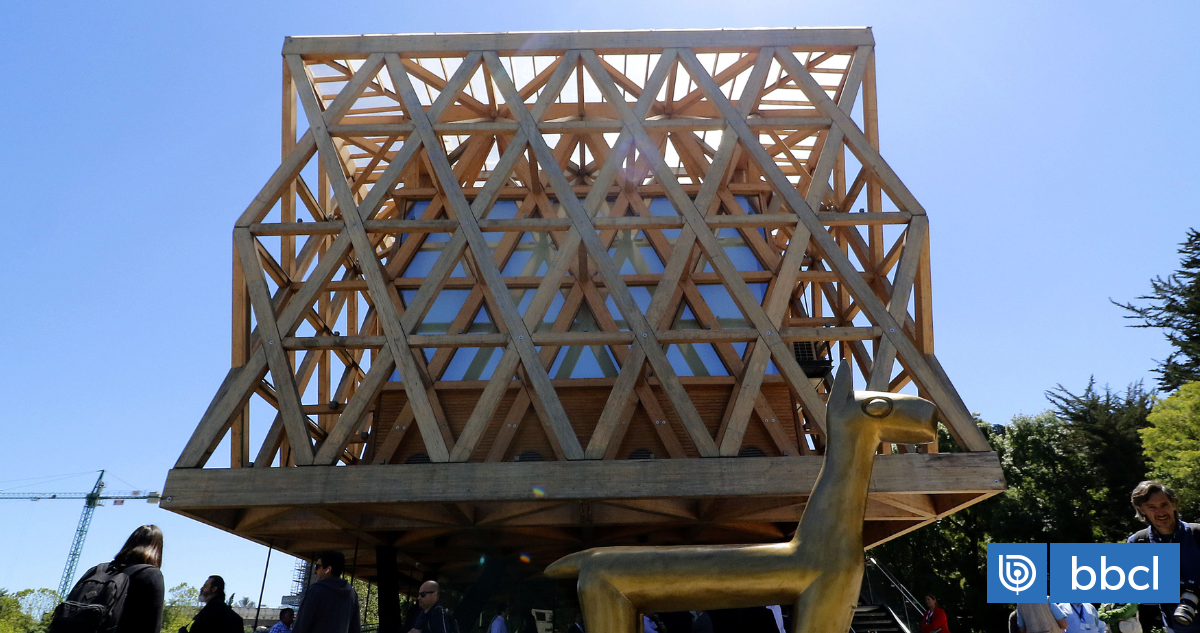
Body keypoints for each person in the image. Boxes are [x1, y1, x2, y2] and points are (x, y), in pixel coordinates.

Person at [1127, 480, 1200, 633]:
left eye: (1164, 505)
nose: (1160, 512)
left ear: (1174, 504)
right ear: (1141, 510)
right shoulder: (1139, 542)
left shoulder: (1196, 534)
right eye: (1152, 507)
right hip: (1177, 626)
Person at [293, 551, 360, 633]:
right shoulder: (352, 594)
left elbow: (301, 624)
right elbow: (355, 628)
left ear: (328, 569)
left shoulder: (316, 590)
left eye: (317, 567)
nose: (315, 570)